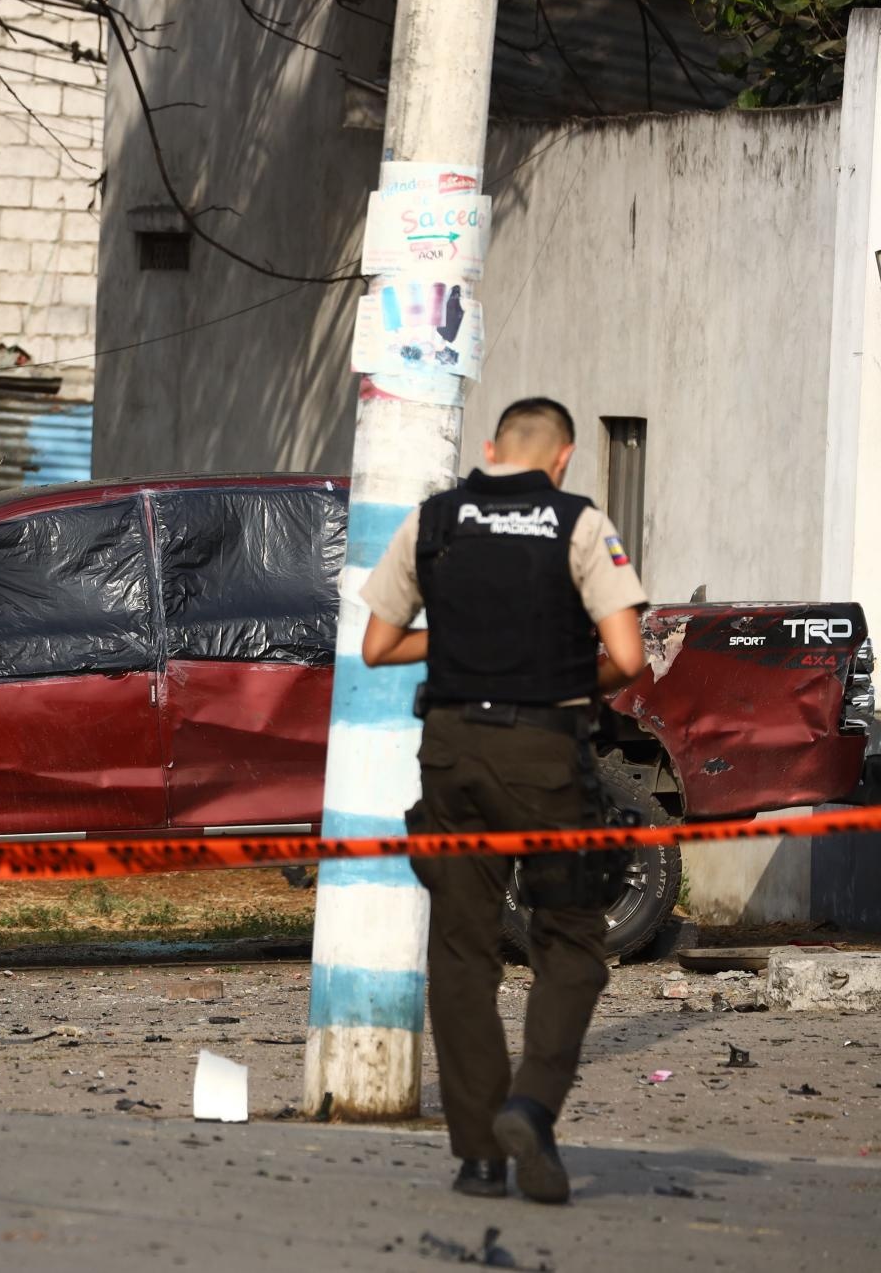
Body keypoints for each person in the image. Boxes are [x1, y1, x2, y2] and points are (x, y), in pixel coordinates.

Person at [359, 396, 648, 1204]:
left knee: (461, 951)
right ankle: (531, 1105)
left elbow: (378, 646)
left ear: (490, 448)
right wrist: (554, 672)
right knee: (570, 939)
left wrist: (456, 647)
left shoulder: (434, 521)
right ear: (561, 459)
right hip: (544, 758)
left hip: (451, 752)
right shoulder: (580, 524)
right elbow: (626, 657)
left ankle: (480, 1155)